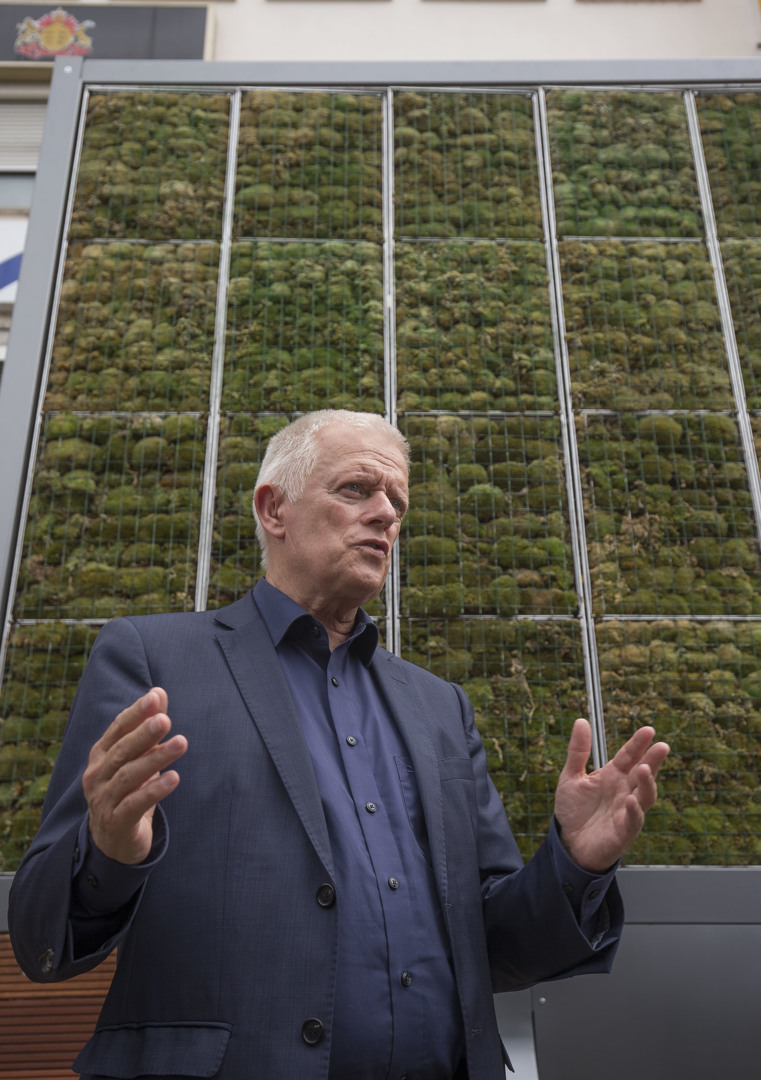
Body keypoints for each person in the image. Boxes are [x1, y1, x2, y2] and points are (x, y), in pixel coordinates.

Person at [9, 409, 669, 1080]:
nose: (385, 514)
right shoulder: (154, 660)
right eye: (357, 489)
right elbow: (42, 939)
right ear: (273, 509)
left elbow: (492, 946)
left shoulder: (440, 706)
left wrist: (573, 868)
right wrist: (110, 851)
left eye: (397, 502)